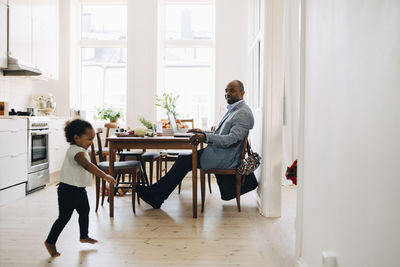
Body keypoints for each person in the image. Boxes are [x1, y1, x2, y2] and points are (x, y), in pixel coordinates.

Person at [136, 80, 255, 208]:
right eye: (226, 91)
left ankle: (156, 195)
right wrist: (202, 132)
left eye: (232, 90)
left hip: (224, 157)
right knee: (184, 159)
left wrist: (204, 137)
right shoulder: (235, 110)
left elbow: (229, 140)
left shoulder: (242, 113)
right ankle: (156, 194)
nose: (227, 94)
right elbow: (222, 134)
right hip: (219, 152)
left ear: (242, 93)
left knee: (184, 160)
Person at [44, 119, 116, 257]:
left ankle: (84, 236)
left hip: (78, 189)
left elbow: (70, 170)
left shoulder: (80, 149)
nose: (91, 142)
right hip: (69, 191)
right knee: (64, 218)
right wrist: (105, 176)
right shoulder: (76, 151)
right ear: (76, 138)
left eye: (93, 139)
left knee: (84, 211)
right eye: (89, 139)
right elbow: (88, 166)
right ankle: (50, 242)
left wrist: (65, 179)